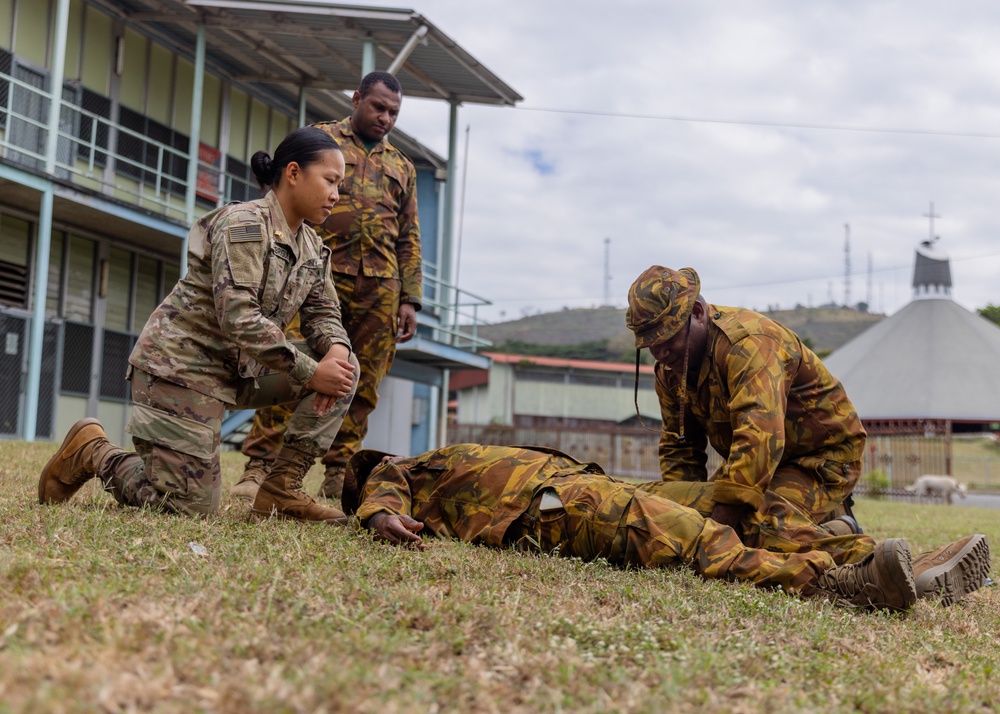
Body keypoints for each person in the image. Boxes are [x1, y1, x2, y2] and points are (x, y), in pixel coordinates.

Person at [38, 127, 359, 523]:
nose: (336, 194)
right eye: (330, 180)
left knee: (345, 369)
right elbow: (238, 316)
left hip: (236, 372)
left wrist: (337, 353)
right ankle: (94, 452)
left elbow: (324, 314)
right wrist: (312, 372)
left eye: (339, 185)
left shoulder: (312, 246)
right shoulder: (243, 225)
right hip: (180, 369)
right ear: (293, 173)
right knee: (189, 507)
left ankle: (282, 491)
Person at [343, 444, 991, 610]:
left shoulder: (448, 461)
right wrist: (375, 512)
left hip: (587, 483)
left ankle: (880, 556)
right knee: (697, 536)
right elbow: (382, 481)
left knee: (731, 499)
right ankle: (842, 582)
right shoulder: (407, 472)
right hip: (553, 510)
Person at [234, 70, 422, 502]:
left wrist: (411, 298)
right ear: (356, 98)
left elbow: (409, 234)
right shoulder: (320, 141)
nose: (386, 118)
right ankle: (259, 466)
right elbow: (283, 194)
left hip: (380, 288)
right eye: (378, 107)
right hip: (316, 275)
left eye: (394, 111)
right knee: (292, 367)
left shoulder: (402, 166)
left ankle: (339, 473)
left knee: (362, 381)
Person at [625, 265, 866, 537]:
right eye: (649, 344)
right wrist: (680, 514)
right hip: (759, 464)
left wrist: (715, 534)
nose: (660, 352)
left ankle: (843, 528)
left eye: (667, 337)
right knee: (676, 518)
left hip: (820, 459)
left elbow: (759, 438)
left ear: (698, 313)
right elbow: (679, 447)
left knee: (747, 531)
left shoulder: (750, 345)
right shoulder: (669, 369)